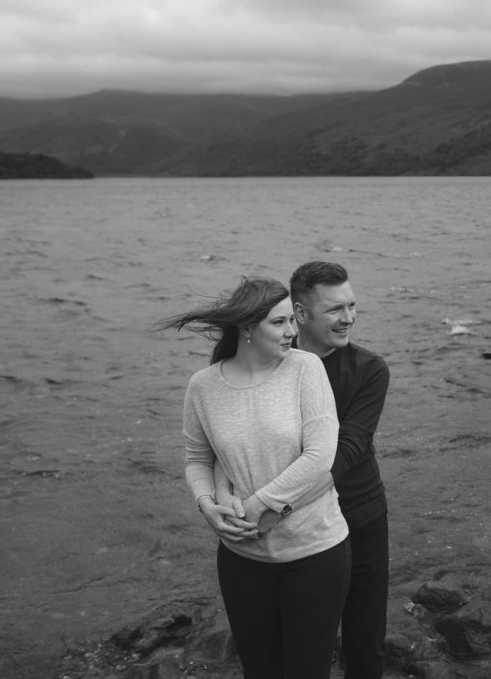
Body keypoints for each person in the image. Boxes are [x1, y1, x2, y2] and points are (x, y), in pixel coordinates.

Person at [158, 276, 351, 679]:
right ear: (247, 327)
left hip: (315, 552)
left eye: (292, 320)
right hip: (241, 559)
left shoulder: (305, 368)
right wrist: (207, 505)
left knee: (308, 671)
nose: (292, 331)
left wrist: (258, 504)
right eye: (278, 323)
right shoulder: (203, 386)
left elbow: (320, 455)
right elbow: (198, 459)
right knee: (260, 670)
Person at [289, 261, 391, 679]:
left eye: (352, 306)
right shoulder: (273, 364)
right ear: (300, 313)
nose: (348, 318)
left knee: (365, 646)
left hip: (360, 516)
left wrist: (275, 505)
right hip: (301, 526)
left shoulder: (369, 369)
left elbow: (349, 449)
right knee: (303, 643)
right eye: (334, 309)